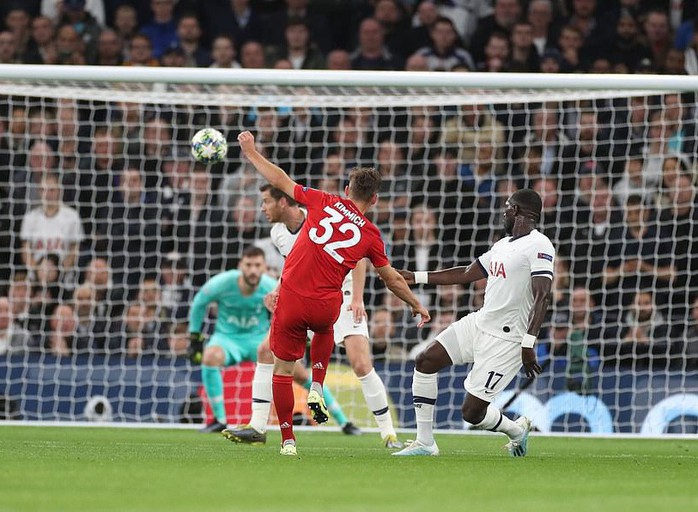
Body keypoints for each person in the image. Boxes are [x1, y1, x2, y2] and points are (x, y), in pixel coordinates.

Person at [234, 131, 430, 456]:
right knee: (323, 328)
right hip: (328, 304)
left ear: (346, 190)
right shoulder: (371, 235)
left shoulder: (323, 201)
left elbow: (281, 179)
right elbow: (392, 278)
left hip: (296, 300)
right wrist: (416, 304)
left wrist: (251, 152)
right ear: (376, 200)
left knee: (283, 371)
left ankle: (287, 442)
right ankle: (317, 386)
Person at [224, 184, 400, 448]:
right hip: (303, 297)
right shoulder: (278, 233)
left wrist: (357, 298)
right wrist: (277, 289)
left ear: (283, 202)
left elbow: (361, 257)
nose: (262, 208)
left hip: (342, 295)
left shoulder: (320, 214)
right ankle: (257, 426)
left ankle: (389, 433)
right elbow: (293, 265)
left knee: (361, 364)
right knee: (265, 351)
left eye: (266, 202)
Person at [392, 189, 554, 457]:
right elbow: (468, 273)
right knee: (425, 361)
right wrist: (416, 277)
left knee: (472, 413)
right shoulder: (503, 244)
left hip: (508, 339)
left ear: (518, 212)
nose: (504, 211)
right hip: (480, 323)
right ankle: (425, 443)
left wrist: (528, 342)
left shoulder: (539, 245)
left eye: (507, 206)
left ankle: (516, 430)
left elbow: (543, 295)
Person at [188, 246, 278, 433]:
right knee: (210, 356)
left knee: (297, 370)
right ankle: (219, 420)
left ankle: (343, 421)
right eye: (248, 265)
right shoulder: (223, 282)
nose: (253, 270)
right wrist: (195, 337)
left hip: (257, 341)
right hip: (227, 340)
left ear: (264, 267)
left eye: (257, 265)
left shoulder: (271, 286)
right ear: (240, 266)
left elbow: (289, 310)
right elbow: (199, 303)